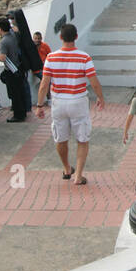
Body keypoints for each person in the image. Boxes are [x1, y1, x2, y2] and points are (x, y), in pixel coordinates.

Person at [35, 23, 105, 186]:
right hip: (78, 101)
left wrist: (39, 105)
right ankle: (78, 176)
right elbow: (93, 81)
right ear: (76, 37)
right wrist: (100, 97)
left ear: (61, 37)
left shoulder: (51, 58)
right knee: (82, 138)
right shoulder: (84, 57)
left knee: (60, 138)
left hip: (58, 102)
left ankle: (67, 168)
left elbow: (44, 83)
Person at [0, 16, 27, 122]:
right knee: (20, 92)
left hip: (11, 70)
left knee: (14, 93)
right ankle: (23, 112)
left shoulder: (3, 41)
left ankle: (18, 115)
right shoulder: (13, 35)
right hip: (18, 67)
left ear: (0, 28)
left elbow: (2, 57)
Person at [32, 31, 51, 105]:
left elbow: (49, 56)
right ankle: (47, 99)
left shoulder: (45, 46)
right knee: (46, 80)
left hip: (45, 68)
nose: (37, 40)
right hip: (36, 70)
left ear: (41, 39)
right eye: (35, 38)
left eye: (38, 38)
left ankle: (49, 99)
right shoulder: (31, 47)